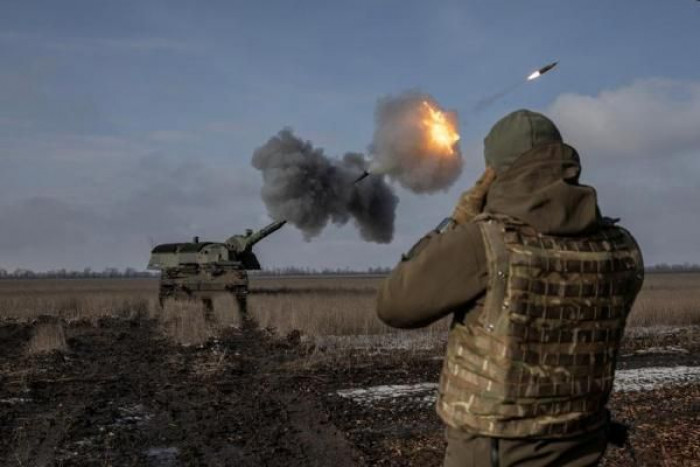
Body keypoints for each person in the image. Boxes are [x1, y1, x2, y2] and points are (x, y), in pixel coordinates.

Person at [376, 109, 644, 467]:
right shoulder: (620, 247)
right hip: (583, 440)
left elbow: (394, 305)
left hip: (495, 450)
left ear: (494, 173)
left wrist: (457, 220)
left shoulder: (483, 241)